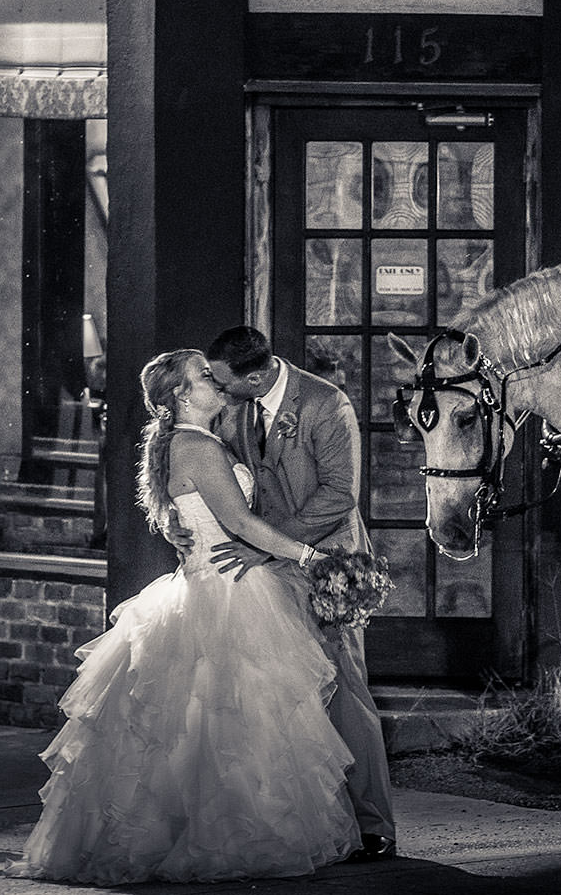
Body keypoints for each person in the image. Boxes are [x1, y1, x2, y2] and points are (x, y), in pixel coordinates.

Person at [7, 350, 358, 885]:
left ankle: (215, 833)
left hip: (216, 582)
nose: (215, 380)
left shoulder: (195, 441)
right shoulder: (196, 446)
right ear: (181, 395)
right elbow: (240, 522)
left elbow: (195, 515)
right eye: (203, 376)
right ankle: (224, 839)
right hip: (223, 593)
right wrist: (311, 556)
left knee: (209, 727)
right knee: (222, 723)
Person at [199, 325, 399, 862]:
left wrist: (272, 548)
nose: (216, 390)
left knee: (346, 690)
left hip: (329, 564)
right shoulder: (236, 406)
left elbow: (339, 494)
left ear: (258, 376)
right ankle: (317, 820)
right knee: (288, 692)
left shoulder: (325, 404)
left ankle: (374, 824)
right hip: (268, 567)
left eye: (223, 382)